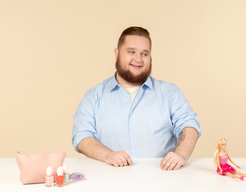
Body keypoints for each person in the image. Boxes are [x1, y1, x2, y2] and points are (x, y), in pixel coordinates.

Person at [72, 26, 201, 171]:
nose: (138, 59)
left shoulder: (170, 93)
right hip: (109, 181)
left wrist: (181, 155)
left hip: (162, 180)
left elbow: (189, 125)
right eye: (131, 52)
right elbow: (81, 135)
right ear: (117, 53)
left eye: (144, 54)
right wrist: (108, 155)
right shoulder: (93, 96)